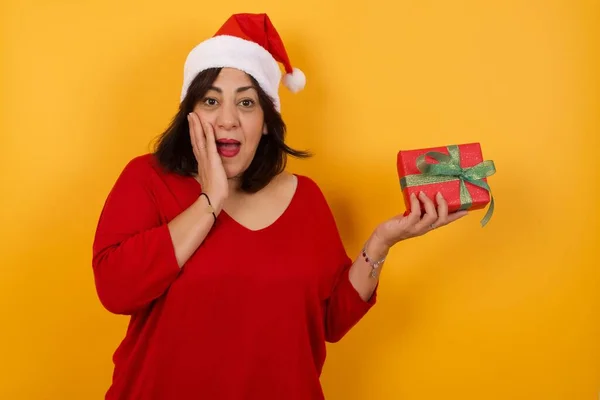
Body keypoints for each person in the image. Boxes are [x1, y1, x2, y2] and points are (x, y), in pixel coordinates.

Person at [92, 12, 467, 400]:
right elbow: (116, 290)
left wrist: (381, 242)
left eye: (246, 103)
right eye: (210, 100)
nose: (227, 120)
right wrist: (211, 199)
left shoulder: (304, 199)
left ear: (267, 121)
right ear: (190, 114)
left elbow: (330, 321)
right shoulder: (148, 179)